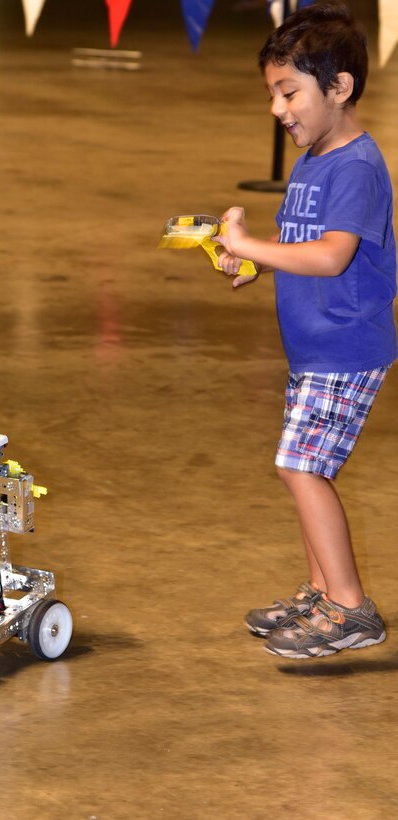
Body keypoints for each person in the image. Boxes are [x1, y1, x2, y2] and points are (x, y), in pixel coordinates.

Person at [216, 2, 397, 658]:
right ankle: (323, 591)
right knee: (306, 467)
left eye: (288, 91)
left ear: (338, 87)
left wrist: (255, 247)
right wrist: (252, 264)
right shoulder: (314, 160)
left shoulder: (354, 166)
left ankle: (349, 609)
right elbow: (302, 246)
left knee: (299, 466)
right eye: (272, 93)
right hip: (314, 344)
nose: (277, 108)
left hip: (345, 348)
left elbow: (330, 256)